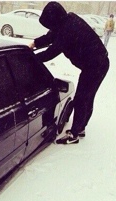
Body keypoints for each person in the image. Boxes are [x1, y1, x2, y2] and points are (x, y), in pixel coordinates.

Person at [29, 1, 109, 144]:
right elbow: (50, 37)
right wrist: (34, 43)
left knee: (82, 98)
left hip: (96, 65)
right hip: (96, 63)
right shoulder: (66, 22)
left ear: (55, 19)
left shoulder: (68, 29)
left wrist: (31, 59)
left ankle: (75, 134)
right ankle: (81, 127)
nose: (50, 27)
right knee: (87, 97)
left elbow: (51, 52)